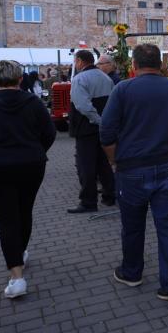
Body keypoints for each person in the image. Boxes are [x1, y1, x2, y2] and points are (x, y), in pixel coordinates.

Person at [100, 44, 168, 303]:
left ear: (134, 65)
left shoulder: (122, 90)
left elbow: (106, 133)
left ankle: (132, 273)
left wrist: (113, 160)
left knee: (132, 227)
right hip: (167, 168)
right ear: (161, 65)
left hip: (131, 169)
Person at [0, 61, 56, 299]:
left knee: (7, 218)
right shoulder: (33, 103)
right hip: (30, 164)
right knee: (24, 210)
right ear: (20, 79)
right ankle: (19, 253)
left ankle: (17, 276)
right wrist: (37, 151)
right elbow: (49, 133)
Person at [68, 50, 115, 213]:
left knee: (86, 166)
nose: (75, 64)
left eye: (75, 61)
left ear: (80, 61)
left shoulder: (79, 79)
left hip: (86, 128)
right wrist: (104, 123)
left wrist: (98, 120)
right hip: (102, 128)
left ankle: (88, 202)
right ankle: (110, 196)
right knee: (104, 163)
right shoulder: (106, 78)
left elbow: (83, 106)